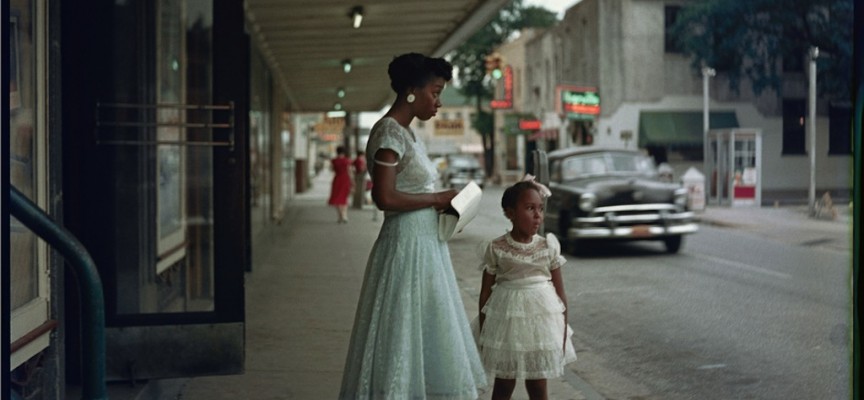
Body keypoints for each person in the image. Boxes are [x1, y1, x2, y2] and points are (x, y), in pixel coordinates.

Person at [339, 53, 487, 399]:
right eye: (435, 92)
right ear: (411, 91)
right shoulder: (389, 131)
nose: (438, 101)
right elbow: (385, 198)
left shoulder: (407, 133)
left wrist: (448, 209)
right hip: (405, 245)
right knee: (402, 327)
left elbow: (409, 190)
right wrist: (437, 199)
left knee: (424, 326)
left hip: (424, 243)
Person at [473, 177, 577, 400]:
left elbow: (560, 294)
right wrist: (485, 333)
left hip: (540, 326)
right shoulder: (496, 248)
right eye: (530, 208)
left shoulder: (547, 246)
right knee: (504, 382)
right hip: (507, 323)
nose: (538, 215)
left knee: (538, 384)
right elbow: (485, 293)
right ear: (510, 213)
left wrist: (561, 331)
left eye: (540, 208)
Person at [328, 145, 353, 223]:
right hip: (345, 180)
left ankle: (340, 216)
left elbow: (331, 169)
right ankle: (344, 216)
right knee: (344, 198)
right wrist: (352, 181)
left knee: (337, 198)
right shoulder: (347, 160)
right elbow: (350, 171)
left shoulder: (334, 160)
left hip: (337, 179)